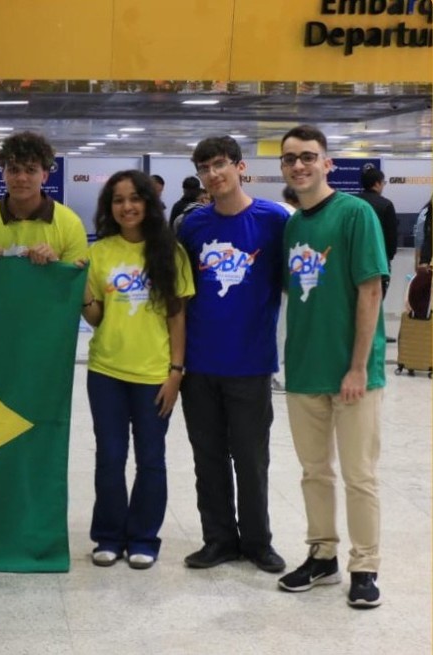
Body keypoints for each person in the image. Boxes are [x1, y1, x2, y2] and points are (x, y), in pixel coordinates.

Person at [277, 125, 388, 609]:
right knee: (314, 472)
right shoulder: (292, 227)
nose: (298, 165)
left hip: (352, 374)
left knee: (359, 475)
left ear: (327, 163)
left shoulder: (355, 213)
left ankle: (365, 566)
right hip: (305, 369)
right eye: (289, 159)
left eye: (308, 156)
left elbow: (371, 290)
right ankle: (322, 555)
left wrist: (358, 367)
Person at [177, 136, 289, 574]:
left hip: (251, 363)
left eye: (220, 164)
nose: (213, 174)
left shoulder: (273, 220)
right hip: (200, 363)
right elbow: (178, 293)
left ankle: (258, 542)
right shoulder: (192, 226)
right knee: (207, 457)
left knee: (251, 458)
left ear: (240, 167)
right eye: (205, 168)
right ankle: (219, 539)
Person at [82, 170, 194, 570]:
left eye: (134, 198)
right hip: (106, 372)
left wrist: (176, 372)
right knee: (110, 458)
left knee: (150, 458)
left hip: (153, 375)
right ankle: (108, 536)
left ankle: (144, 537)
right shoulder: (99, 252)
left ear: (148, 203)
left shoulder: (171, 253)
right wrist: (82, 293)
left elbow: (177, 318)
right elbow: (96, 318)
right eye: (118, 200)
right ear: (109, 207)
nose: (126, 207)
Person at [0, 132, 87, 265]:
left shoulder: (70, 225)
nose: (21, 178)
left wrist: (55, 265)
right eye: (14, 170)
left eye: (30, 170)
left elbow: (74, 277)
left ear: (45, 176)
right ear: (3, 175)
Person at [356, 168, 398, 299]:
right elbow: (391, 237)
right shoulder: (386, 205)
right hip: (378, 262)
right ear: (377, 183)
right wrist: (388, 257)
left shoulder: (351, 203)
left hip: (354, 260)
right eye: (383, 182)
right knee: (376, 301)